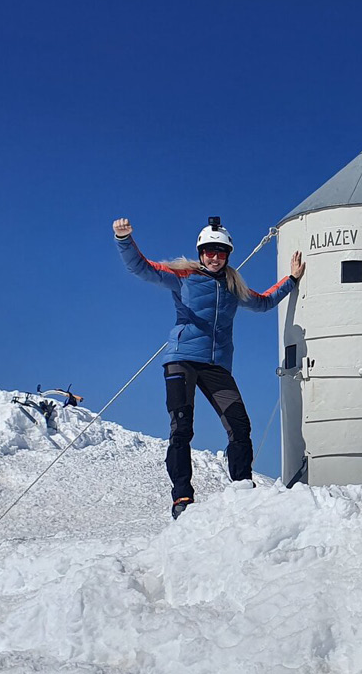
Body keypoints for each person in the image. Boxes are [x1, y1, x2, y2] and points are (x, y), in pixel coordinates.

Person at [113, 216, 304, 519]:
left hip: (216, 366)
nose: (214, 257)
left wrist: (292, 281)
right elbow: (142, 268)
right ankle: (182, 497)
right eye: (209, 251)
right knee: (181, 427)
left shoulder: (233, 287)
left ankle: (242, 485)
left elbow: (264, 302)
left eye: (221, 252)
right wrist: (124, 240)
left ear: (228, 255)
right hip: (181, 360)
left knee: (239, 424)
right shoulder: (184, 276)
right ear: (200, 252)